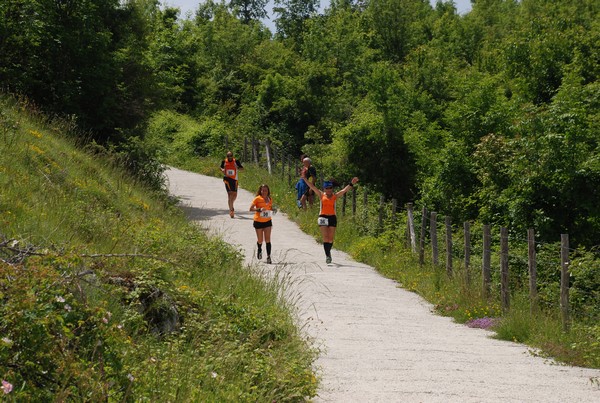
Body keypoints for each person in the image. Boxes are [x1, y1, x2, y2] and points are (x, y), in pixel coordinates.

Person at [301, 173, 359, 264]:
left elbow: (344, 190)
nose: (329, 190)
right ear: (324, 189)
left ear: (332, 189)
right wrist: (304, 179)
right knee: (325, 237)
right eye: (327, 188)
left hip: (332, 217)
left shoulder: (335, 196)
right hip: (323, 217)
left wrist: (352, 183)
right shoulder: (321, 195)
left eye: (330, 188)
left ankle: (329, 252)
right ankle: (327, 255)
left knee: (330, 239)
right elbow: (312, 186)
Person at [249, 184, 274, 264]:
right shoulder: (257, 199)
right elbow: (251, 209)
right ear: (260, 191)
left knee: (268, 240)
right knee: (260, 240)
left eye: (265, 190)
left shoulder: (270, 199)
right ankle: (259, 249)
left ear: (268, 191)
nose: (264, 192)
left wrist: (273, 211)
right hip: (258, 222)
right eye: (262, 190)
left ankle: (268, 257)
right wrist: (259, 209)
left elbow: (270, 208)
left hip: (267, 221)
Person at [220, 151, 243, 218]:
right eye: (228, 156)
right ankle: (231, 210)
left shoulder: (236, 161)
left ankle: (231, 204)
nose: (229, 157)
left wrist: (237, 167)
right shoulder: (224, 161)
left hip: (234, 180)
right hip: (227, 179)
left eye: (231, 156)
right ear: (226, 156)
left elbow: (242, 169)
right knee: (230, 194)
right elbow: (221, 167)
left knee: (235, 195)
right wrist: (222, 170)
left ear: (233, 156)